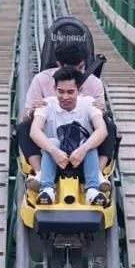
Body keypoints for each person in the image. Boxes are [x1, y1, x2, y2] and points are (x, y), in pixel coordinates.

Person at [17, 45, 108, 174]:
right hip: (50, 136)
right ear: (59, 65)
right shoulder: (41, 79)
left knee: (109, 127)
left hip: (83, 137)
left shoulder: (94, 83)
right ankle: (39, 171)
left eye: (81, 68)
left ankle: (98, 172)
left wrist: (101, 110)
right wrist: (32, 110)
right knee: (24, 126)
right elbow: (25, 116)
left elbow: (101, 116)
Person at [29, 68, 109, 206]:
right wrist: (54, 151)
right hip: (55, 161)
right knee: (52, 142)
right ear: (54, 88)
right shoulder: (47, 104)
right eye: (60, 91)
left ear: (80, 90)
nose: (65, 97)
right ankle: (47, 188)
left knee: (90, 142)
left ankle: (92, 190)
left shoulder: (89, 103)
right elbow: (34, 131)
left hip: (82, 161)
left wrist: (83, 149)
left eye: (70, 92)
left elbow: (102, 130)